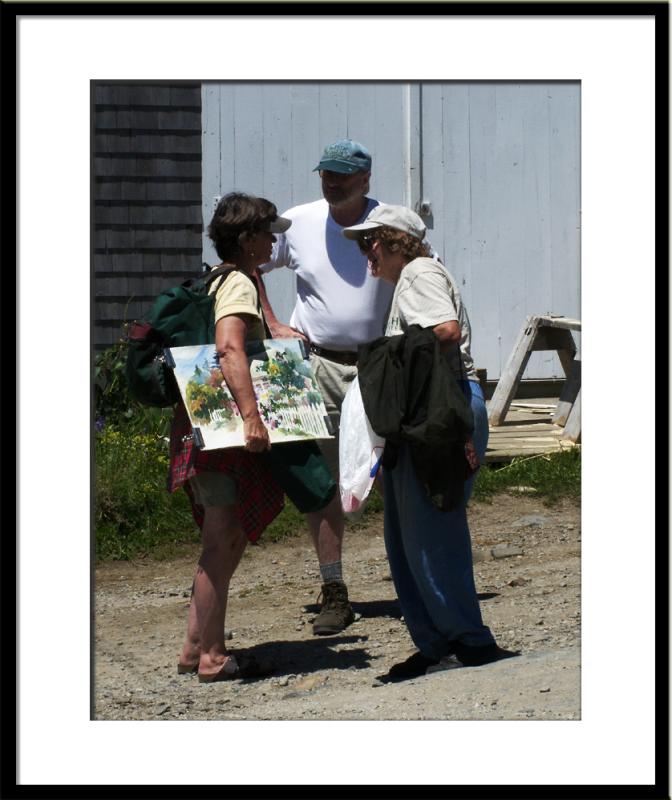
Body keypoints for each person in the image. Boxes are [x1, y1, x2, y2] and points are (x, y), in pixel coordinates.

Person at [342, 205, 519, 682]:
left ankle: (469, 641)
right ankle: (437, 642)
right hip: (424, 412)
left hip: (441, 408)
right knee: (405, 536)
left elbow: (444, 331)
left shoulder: (418, 273)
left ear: (395, 240)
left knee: (432, 531)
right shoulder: (409, 280)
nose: (365, 255)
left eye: (370, 243)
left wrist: (383, 362)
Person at [257, 138, 395, 635]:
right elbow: (248, 263)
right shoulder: (299, 222)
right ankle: (334, 589)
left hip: (380, 366)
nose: (331, 183)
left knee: (395, 473)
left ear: (365, 180)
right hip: (316, 364)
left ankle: (416, 579)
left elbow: (423, 268)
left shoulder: (389, 222)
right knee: (321, 484)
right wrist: (271, 320)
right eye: (325, 174)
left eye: (341, 175)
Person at [170, 192, 292, 682]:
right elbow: (228, 349)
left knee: (223, 538)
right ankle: (213, 658)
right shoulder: (238, 282)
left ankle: (193, 647)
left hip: (199, 429)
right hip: (223, 435)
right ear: (247, 239)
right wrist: (251, 417)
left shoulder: (217, 277)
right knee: (222, 541)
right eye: (267, 232)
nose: (273, 239)